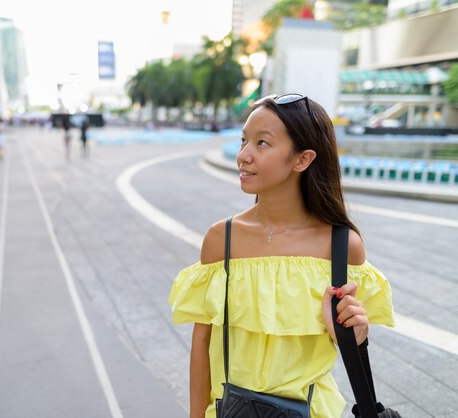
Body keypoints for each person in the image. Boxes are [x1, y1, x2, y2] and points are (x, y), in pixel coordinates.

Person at [168, 94, 395, 418]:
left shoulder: (343, 246)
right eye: (244, 140)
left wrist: (352, 332)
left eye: (262, 143)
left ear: (302, 159)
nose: (243, 155)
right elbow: (201, 344)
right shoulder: (222, 239)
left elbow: (350, 340)